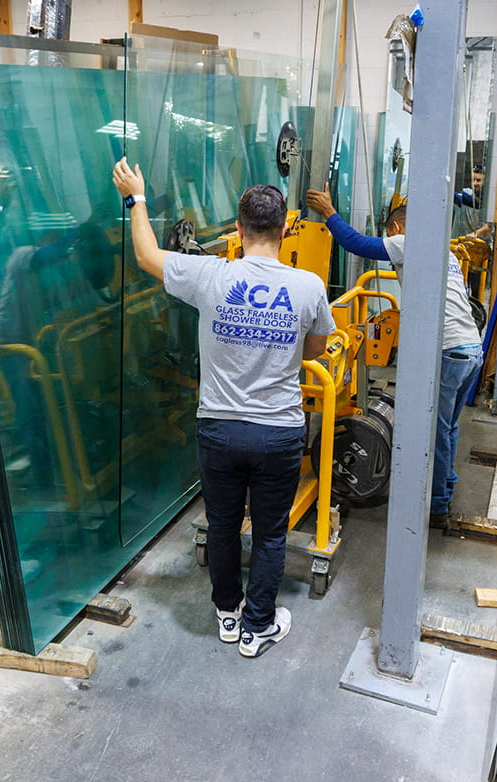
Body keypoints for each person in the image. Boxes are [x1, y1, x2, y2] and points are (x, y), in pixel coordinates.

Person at [113, 158, 335, 657]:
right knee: (272, 534)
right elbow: (317, 349)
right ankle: (258, 627)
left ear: (239, 228)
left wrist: (137, 198)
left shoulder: (210, 275)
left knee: (224, 525)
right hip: (278, 432)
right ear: (284, 229)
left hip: (218, 430)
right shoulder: (309, 288)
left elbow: (148, 255)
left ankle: (228, 615)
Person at [305, 184, 482, 529]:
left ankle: (437, 507)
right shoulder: (442, 251)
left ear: (397, 229)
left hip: (450, 352)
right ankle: (445, 486)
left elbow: (357, 244)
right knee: (447, 427)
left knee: (435, 431)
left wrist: (328, 211)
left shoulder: (407, 242)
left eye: (389, 235)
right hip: (470, 348)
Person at [452, 164, 491, 243]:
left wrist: (476, 234)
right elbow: (453, 195)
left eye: (478, 180)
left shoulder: (491, 202)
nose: (475, 183)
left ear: (486, 182)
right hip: (459, 247)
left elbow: (491, 226)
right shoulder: (466, 195)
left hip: (481, 250)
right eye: (473, 180)